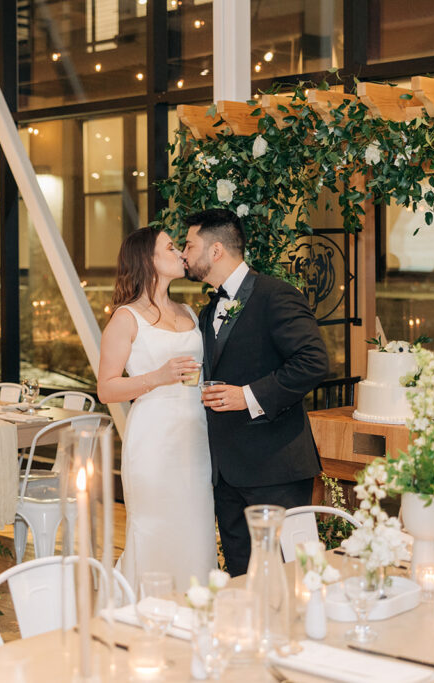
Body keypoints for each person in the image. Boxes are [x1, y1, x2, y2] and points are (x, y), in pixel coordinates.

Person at [182, 209, 329, 577]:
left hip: (275, 468)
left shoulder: (276, 295)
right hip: (227, 473)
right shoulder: (208, 309)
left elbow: (313, 362)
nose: (184, 254)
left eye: (189, 244)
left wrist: (246, 396)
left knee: (289, 577)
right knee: (241, 579)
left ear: (215, 250)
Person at [97, 226, 217, 592]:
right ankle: (142, 611)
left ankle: (194, 609)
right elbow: (106, 388)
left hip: (195, 436)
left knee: (196, 525)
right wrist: (159, 376)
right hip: (153, 437)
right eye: (170, 247)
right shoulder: (125, 318)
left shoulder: (189, 312)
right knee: (155, 525)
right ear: (148, 260)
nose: (180, 252)